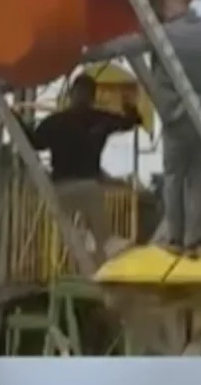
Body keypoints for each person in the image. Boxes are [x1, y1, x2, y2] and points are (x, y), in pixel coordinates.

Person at [93, 0, 201, 257]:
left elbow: (122, 46)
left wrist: (85, 54)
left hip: (177, 114)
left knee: (174, 176)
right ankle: (193, 241)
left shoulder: (163, 34)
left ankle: (174, 239)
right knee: (197, 177)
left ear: (169, 10)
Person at [24, 73, 140, 259]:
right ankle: (103, 239)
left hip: (64, 189)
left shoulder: (70, 120)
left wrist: (130, 111)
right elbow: (129, 122)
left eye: (83, 94)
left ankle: (91, 241)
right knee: (92, 189)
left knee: (90, 199)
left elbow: (35, 142)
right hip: (72, 188)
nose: (82, 99)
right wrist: (129, 110)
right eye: (82, 94)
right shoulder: (80, 120)